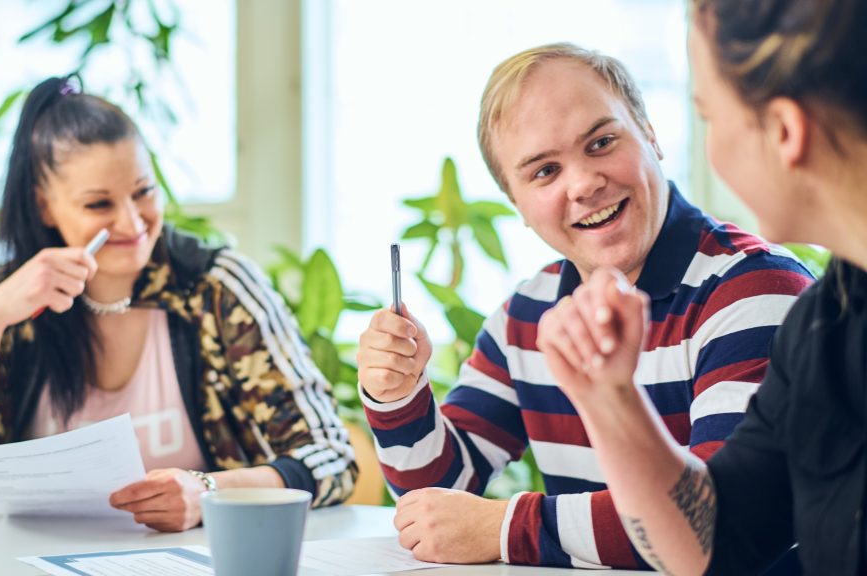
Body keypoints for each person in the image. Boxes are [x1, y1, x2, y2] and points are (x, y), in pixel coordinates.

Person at [356, 43, 814, 568]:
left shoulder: (755, 289)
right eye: (544, 172)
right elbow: (437, 504)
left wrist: (505, 527)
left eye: (601, 142)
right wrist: (397, 395)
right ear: (516, 204)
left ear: (650, 135)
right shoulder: (524, 315)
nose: (584, 183)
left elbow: (715, 525)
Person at [0, 76, 357, 531]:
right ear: (44, 206)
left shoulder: (218, 289)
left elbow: (331, 456)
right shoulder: (5, 299)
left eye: (143, 192)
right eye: (99, 204)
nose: (132, 223)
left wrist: (208, 491)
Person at [536, 1, 867, 574]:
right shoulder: (828, 322)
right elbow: (716, 540)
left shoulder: (763, 287)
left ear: (784, 132)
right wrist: (610, 398)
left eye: (709, 116)